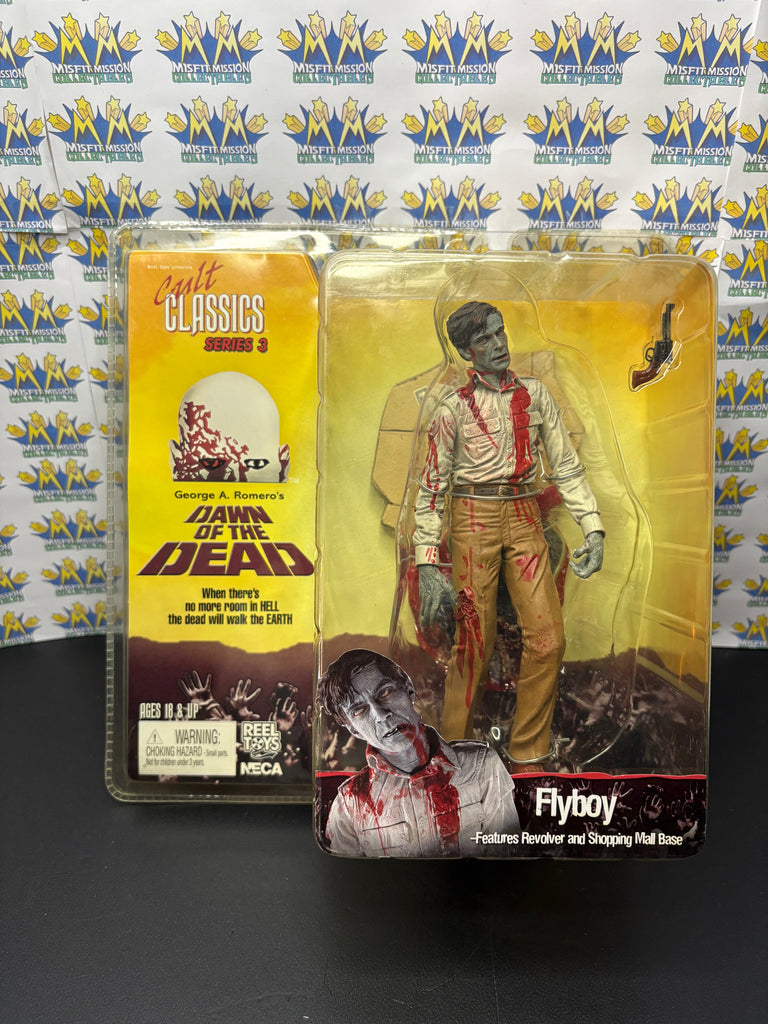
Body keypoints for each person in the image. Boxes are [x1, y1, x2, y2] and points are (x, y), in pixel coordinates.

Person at [414, 300, 604, 770]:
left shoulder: (535, 395)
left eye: (500, 333)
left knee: (549, 639)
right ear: (466, 352)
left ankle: (528, 753)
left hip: (523, 512)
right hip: (472, 517)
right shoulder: (452, 409)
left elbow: (565, 465)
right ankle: (453, 755)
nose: (499, 344)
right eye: (484, 339)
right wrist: (426, 562)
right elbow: (431, 488)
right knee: (473, 644)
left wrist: (592, 526)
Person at [319, 649, 520, 858]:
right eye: (359, 711)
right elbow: (347, 876)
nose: (380, 715)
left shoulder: (483, 767)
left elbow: (505, 861)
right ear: (353, 730)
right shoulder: (350, 803)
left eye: (385, 693)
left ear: (409, 689)